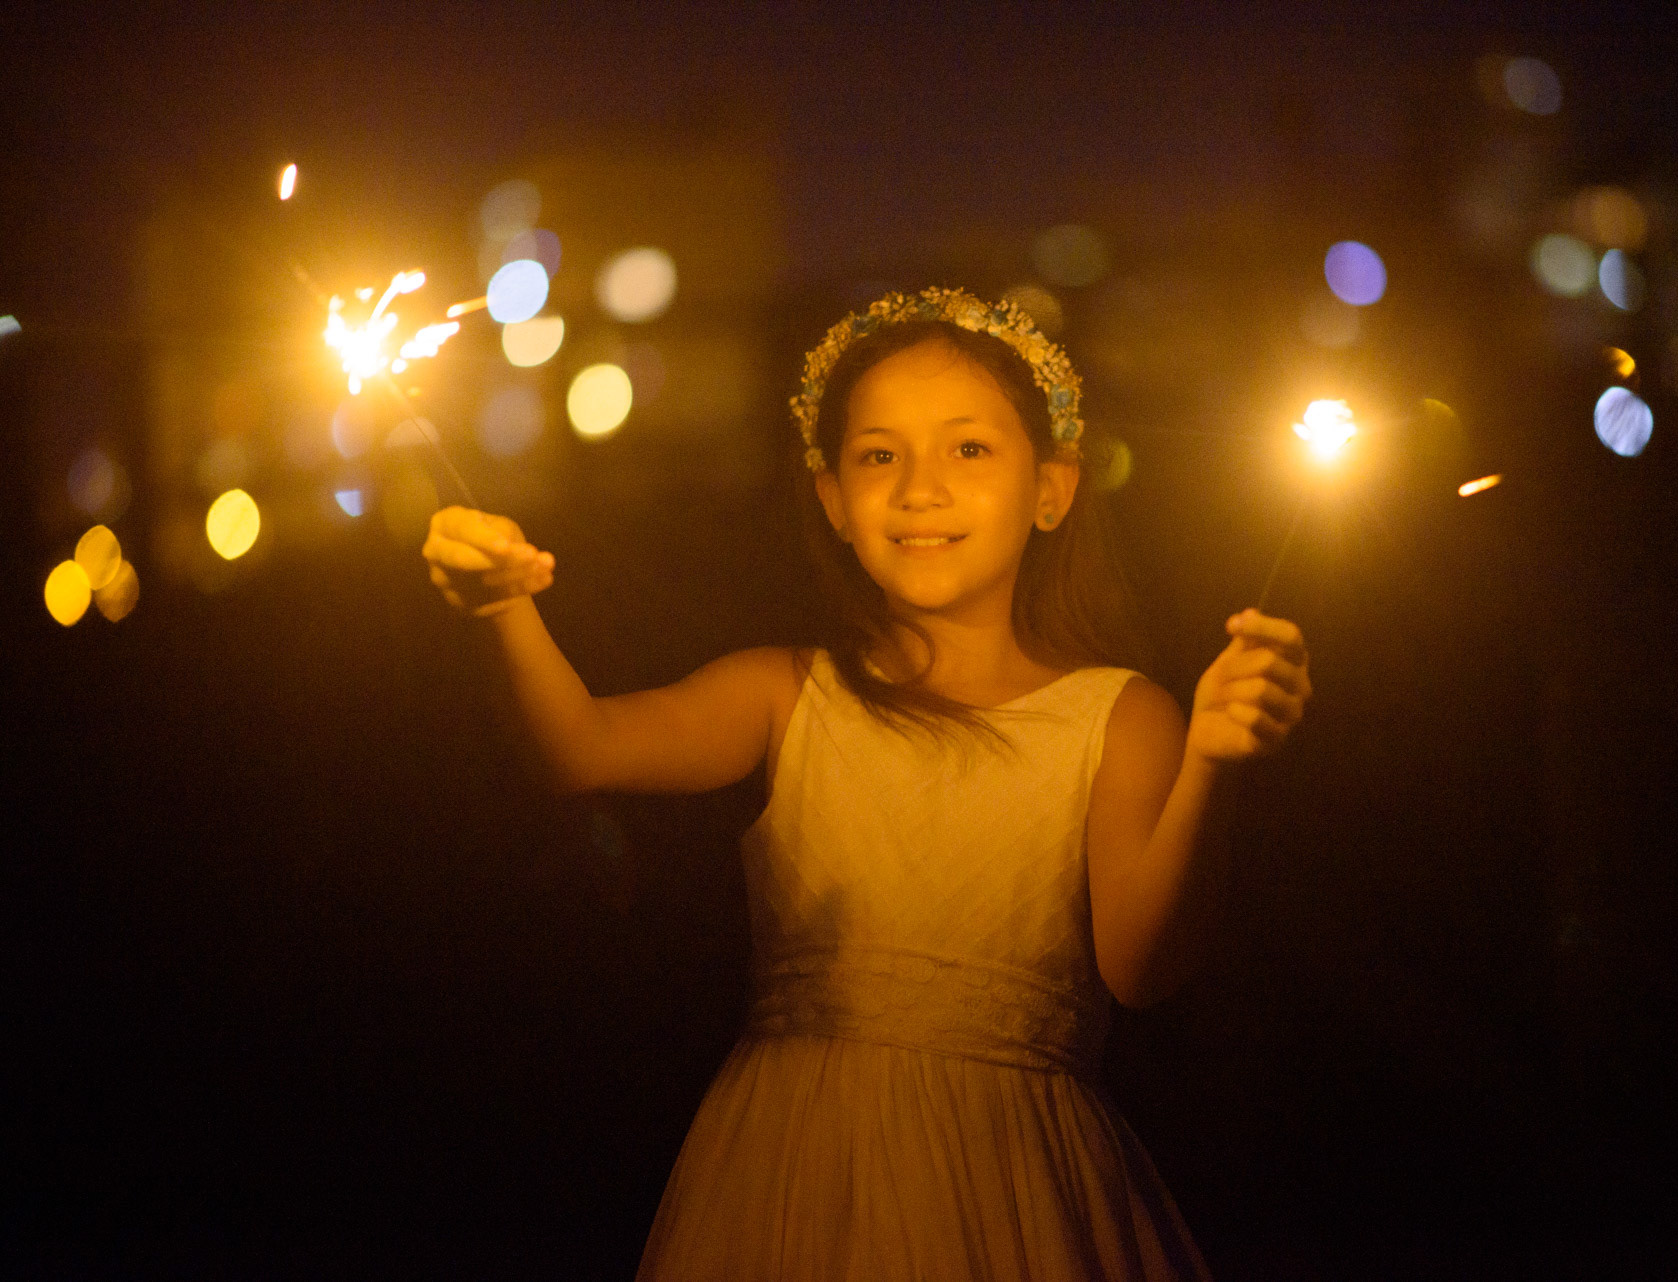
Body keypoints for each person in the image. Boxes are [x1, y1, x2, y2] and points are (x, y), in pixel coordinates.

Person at [422, 288, 1311, 1280]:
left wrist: (1213, 765)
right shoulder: (785, 691)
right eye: (879, 455)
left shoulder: (1122, 715)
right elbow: (578, 748)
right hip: (792, 1170)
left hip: (1014, 1186)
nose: (919, 489)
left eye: (969, 449)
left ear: (1052, 488)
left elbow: (1145, 968)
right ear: (834, 499)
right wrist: (502, 609)